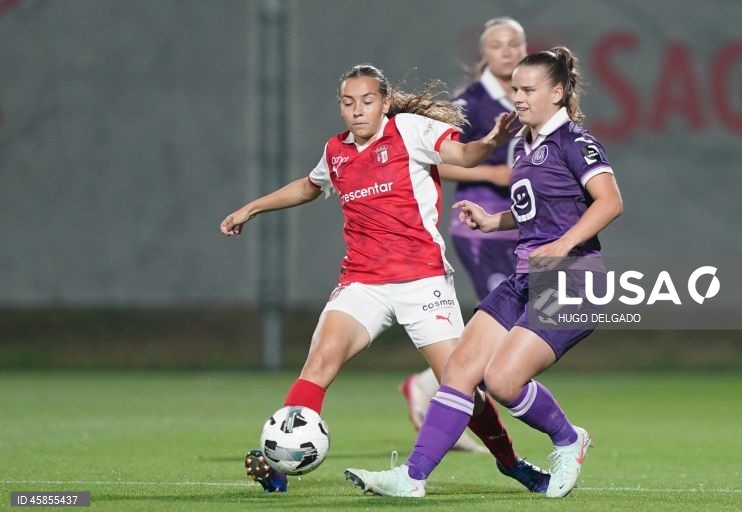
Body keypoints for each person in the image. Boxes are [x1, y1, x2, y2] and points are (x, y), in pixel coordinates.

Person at [220, 64, 547, 493]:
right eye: (348, 102)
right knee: (319, 363)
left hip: (422, 281)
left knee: (461, 383)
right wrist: (252, 208)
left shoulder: (409, 130)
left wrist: (491, 141)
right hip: (363, 284)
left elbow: (464, 156)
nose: (357, 110)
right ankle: (281, 462)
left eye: (367, 101)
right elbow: (309, 185)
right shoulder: (335, 151)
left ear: (385, 103)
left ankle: (510, 461)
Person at [345, 47, 623, 499]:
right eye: (515, 89)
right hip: (523, 276)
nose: (518, 97)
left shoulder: (577, 142)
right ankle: (412, 478)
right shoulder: (523, 144)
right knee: (460, 369)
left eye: (529, 90)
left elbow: (610, 202)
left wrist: (563, 245)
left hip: (571, 278)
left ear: (557, 93)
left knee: (502, 381)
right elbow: (538, 209)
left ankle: (569, 439)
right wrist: (495, 221)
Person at [400, 16, 528, 456]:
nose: (508, 51)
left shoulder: (536, 98)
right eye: (498, 45)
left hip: (524, 226)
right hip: (480, 226)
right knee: (504, 330)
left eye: (516, 43)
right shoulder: (469, 102)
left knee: (530, 327)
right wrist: (493, 170)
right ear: (485, 54)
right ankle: (453, 405)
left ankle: (426, 385)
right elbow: (434, 158)